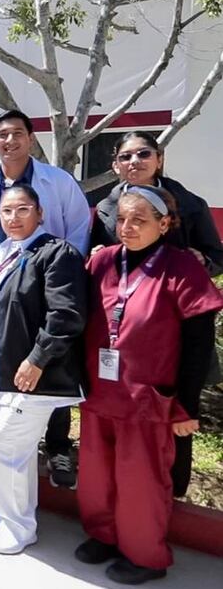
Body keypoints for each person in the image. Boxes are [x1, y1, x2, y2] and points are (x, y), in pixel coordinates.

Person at [76, 185, 223, 585]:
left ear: (164, 224)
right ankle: (104, 535)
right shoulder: (102, 261)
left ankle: (145, 555)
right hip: (100, 391)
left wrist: (187, 408)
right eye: (121, 219)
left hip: (148, 398)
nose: (127, 227)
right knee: (96, 474)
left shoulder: (182, 267)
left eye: (139, 220)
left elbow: (198, 343)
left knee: (140, 480)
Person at [89, 131, 223, 498]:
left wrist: (202, 262)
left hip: (173, 323)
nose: (135, 162)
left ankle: (167, 503)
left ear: (159, 158)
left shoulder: (190, 204)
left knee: (173, 421)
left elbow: (216, 256)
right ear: (115, 164)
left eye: (143, 154)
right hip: (123, 337)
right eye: (126, 156)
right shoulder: (105, 207)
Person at [0, 109, 91, 488]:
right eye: (2, 135)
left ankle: (57, 449)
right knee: (0, 370)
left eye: (17, 133)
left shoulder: (59, 182)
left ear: (31, 138)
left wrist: (61, 278)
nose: (10, 141)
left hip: (46, 286)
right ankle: (5, 442)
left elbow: (79, 230)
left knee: (48, 368)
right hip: (0, 285)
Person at [0, 184, 86, 555]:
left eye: (23, 210)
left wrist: (38, 358)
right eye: (7, 211)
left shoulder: (56, 253)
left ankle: (19, 528)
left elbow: (65, 315)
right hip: (3, 369)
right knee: (15, 451)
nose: (14, 218)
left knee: (1, 444)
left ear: (40, 213)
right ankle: (13, 513)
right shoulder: (5, 251)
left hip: (35, 376)